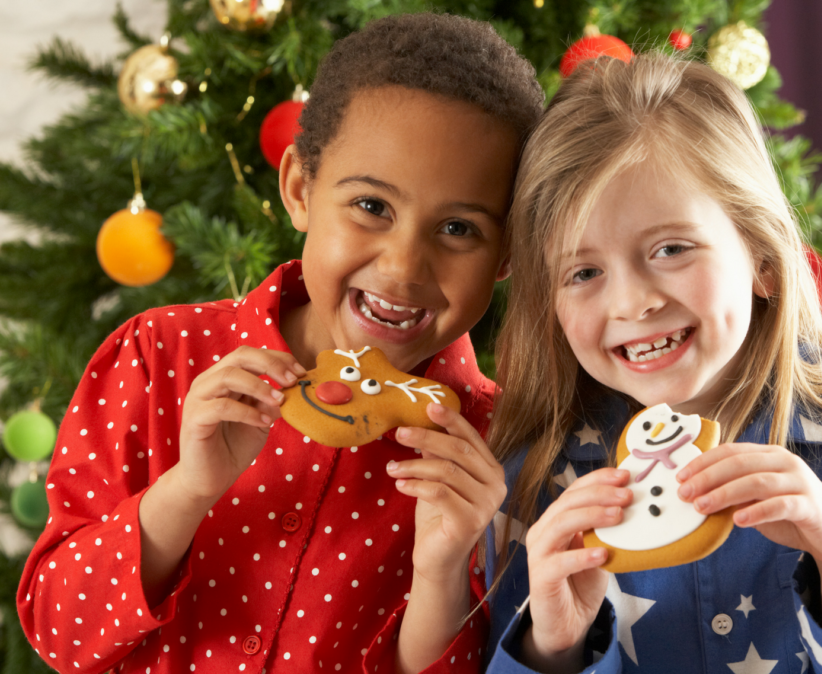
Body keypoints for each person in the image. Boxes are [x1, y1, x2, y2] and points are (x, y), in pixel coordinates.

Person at [18, 13, 543, 674]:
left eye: (460, 229)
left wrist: (440, 571)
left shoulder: (498, 451)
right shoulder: (157, 357)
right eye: (372, 207)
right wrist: (186, 491)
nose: (405, 266)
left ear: (507, 254)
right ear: (300, 189)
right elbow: (58, 631)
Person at [483, 54, 822, 674]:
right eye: (584, 273)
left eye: (671, 248)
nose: (633, 302)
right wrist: (552, 645)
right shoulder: (536, 472)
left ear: (763, 258)